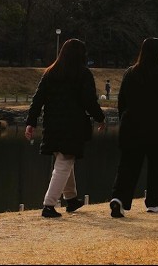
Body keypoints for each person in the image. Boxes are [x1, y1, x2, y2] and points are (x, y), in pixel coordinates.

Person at [24, 38, 106, 218]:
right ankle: (49, 204)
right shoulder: (83, 74)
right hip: (73, 125)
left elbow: (38, 99)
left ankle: (71, 199)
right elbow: (89, 101)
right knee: (64, 162)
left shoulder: (50, 72)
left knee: (64, 160)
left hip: (52, 124)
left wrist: (31, 122)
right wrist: (100, 118)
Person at [108, 37, 158, 218]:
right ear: (157, 53)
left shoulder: (130, 73)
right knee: (156, 165)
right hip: (155, 129)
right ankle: (154, 201)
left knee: (127, 165)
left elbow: (122, 101)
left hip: (131, 127)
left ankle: (119, 199)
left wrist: (124, 121)